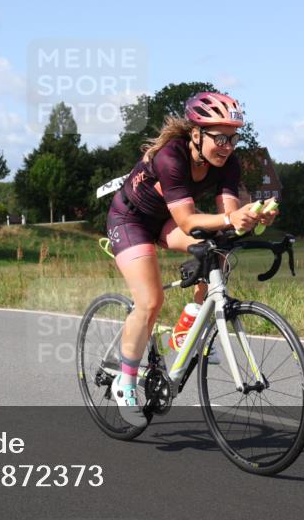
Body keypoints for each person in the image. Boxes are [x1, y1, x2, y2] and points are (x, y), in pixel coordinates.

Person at [104, 92, 278, 427]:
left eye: (233, 137)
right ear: (196, 134)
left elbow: (228, 217)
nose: (228, 146)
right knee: (150, 301)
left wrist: (251, 218)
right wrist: (232, 219)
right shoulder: (172, 157)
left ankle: (186, 328)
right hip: (130, 220)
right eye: (220, 138)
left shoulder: (228, 163)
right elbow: (187, 222)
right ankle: (124, 383)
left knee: (219, 249)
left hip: (165, 220)